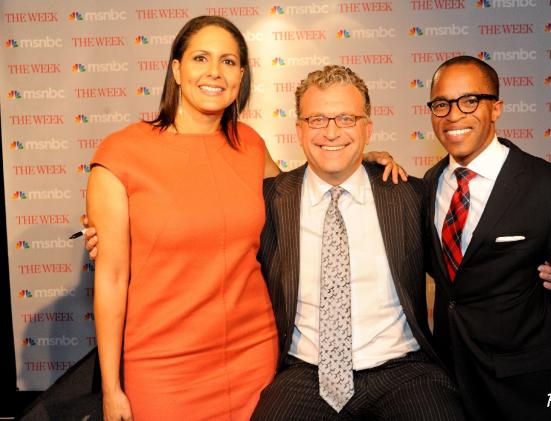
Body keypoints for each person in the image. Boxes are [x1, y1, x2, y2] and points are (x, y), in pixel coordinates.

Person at [86, 16, 403, 421]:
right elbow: (111, 279)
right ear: (177, 70)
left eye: (229, 61)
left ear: (242, 76)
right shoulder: (121, 154)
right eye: (201, 58)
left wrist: (359, 163)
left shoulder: (249, 146)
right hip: (164, 363)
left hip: (254, 354)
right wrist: (112, 388)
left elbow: (300, 192)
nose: (215, 72)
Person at [250, 65, 466, 420]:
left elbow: (465, 260)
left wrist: (534, 263)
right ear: (299, 130)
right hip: (305, 372)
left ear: (367, 129)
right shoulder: (269, 201)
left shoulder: (409, 195)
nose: (331, 132)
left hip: (404, 369)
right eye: (317, 119)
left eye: (346, 119)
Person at [423, 55, 551, 421]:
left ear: (496, 108)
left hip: (527, 393)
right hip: (448, 389)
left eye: (469, 101)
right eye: (442, 104)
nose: (453, 115)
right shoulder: (429, 185)